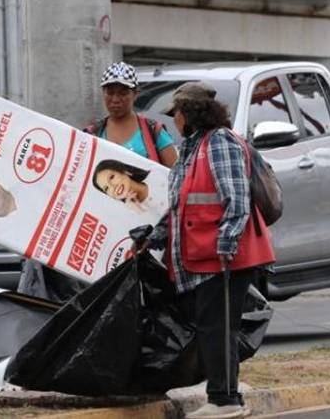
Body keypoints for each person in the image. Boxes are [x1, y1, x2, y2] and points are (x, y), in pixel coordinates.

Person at [145, 83, 275, 419]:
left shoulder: (218, 143)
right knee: (215, 325)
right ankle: (226, 396)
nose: (174, 120)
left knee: (216, 325)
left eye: (176, 113)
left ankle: (224, 400)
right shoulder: (191, 148)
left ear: (189, 113)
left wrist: (226, 243)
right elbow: (180, 206)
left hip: (222, 255)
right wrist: (155, 235)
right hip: (205, 256)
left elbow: (236, 198)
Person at [87, 62, 178, 168]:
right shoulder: (92, 134)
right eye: (110, 93)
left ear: (135, 95)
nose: (115, 99)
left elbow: (175, 176)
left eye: (123, 93)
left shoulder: (154, 131)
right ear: (103, 94)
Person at [91, 158, 158, 213]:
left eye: (111, 177)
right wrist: (139, 211)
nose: (112, 187)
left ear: (125, 171)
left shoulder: (157, 175)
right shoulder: (129, 215)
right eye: (106, 188)